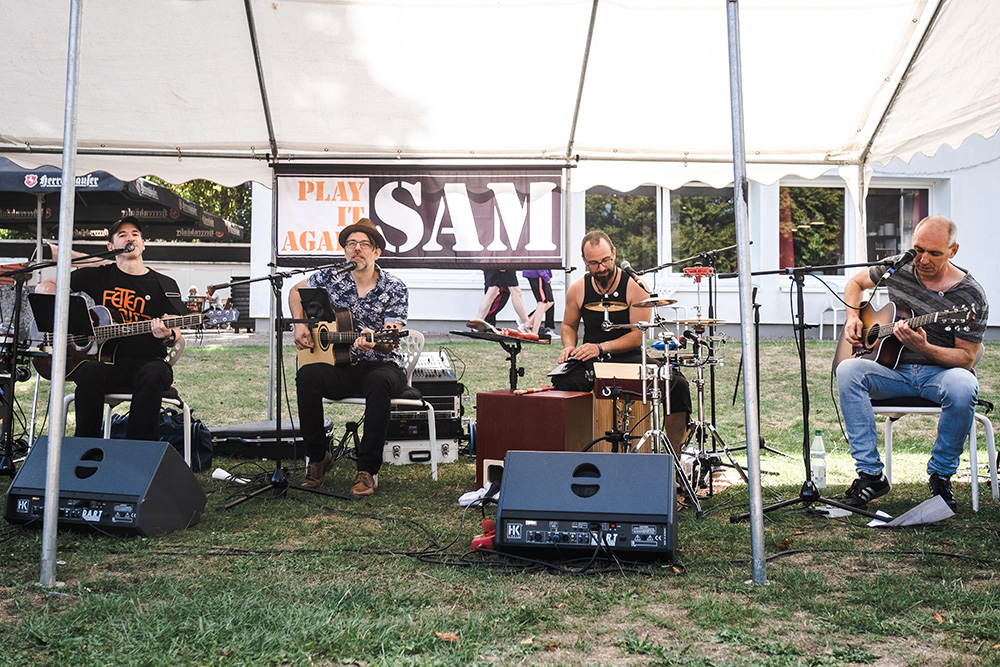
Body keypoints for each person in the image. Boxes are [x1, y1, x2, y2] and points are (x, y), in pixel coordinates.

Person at [836, 215, 989, 511]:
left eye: (935, 253)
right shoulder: (900, 266)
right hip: (892, 371)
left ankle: (941, 475)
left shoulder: (969, 296)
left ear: (953, 251)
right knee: (848, 370)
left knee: (964, 385)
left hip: (941, 374)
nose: (923, 259)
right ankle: (870, 475)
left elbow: (966, 358)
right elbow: (856, 283)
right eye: (918, 249)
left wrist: (925, 347)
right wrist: (854, 318)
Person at [37, 216, 186, 442]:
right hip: (106, 362)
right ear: (110, 247)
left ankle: (139, 452)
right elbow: (48, 285)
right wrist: (56, 302)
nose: (130, 238)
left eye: (135, 234)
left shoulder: (164, 284)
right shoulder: (98, 275)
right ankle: (85, 449)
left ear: (143, 244)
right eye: (123, 235)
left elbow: (176, 327)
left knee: (153, 372)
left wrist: (168, 335)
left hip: (148, 362)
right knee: (88, 371)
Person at [289, 218, 408, 496]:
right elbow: (296, 290)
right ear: (345, 251)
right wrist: (300, 323)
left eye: (364, 244)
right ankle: (318, 458)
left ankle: (367, 470)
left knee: (379, 382)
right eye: (351, 244)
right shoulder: (330, 277)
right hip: (340, 365)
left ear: (376, 252)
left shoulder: (394, 286)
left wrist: (376, 342)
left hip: (381, 364)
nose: (357, 249)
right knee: (307, 376)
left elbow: (391, 337)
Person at [556, 230, 691, 453]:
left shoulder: (635, 286)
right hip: (592, 360)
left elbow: (638, 335)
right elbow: (568, 325)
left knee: (677, 385)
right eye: (593, 263)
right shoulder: (578, 288)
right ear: (584, 262)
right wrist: (569, 347)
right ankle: (573, 451)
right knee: (563, 381)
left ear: (614, 254)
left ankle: (674, 458)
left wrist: (601, 347)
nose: (601, 268)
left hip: (629, 357)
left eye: (605, 260)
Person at [522, 268, 554, 337]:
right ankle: (534, 332)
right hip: (537, 274)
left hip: (537, 273)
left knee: (549, 302)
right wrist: (545, 276)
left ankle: (528, 324)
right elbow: (539, 262)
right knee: (542, 302)